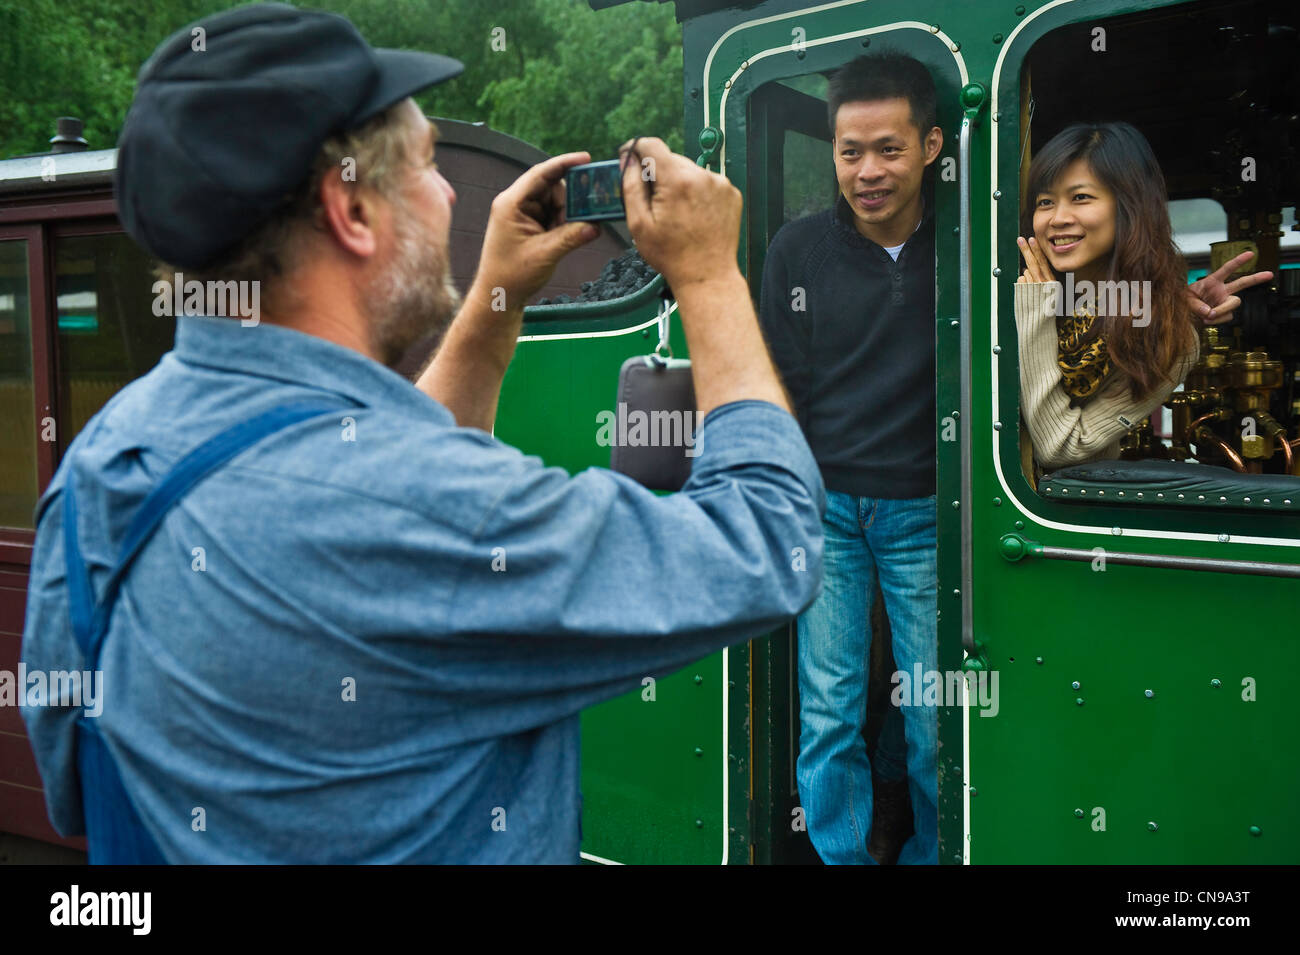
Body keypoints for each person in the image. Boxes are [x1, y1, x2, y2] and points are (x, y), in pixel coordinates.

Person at [20, 3, 825, 864]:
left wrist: (495, 303)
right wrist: (709, 273)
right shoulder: (433, 511)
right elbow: (770, 540)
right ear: (351, 211)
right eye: (429, 166)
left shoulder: (94, 475)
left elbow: (69, 781)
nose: (448, 197)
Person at [757, 52, 942, 865]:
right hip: (826, 510)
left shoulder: (969, 243)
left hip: (929, 512)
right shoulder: (796, 252)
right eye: (849, 150)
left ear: (931, 145)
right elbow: (781, 388)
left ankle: (937, 852)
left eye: (889, 149)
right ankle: (839, 857)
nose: (867, 172)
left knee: (936, 714)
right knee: (829, 709)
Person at [1015, 121, 1274, 479]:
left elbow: (1060, 447)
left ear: (1128, 207)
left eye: (1081, 198)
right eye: (1045, 202)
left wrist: (1035, 309)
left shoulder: (1171, 336)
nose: (1057, 219)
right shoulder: (1005, 284)